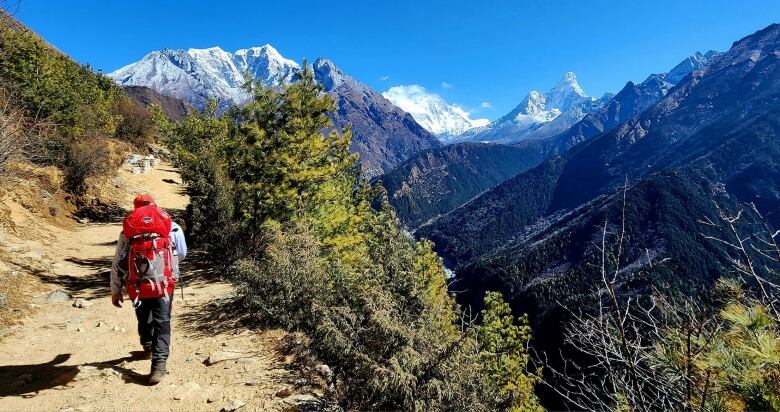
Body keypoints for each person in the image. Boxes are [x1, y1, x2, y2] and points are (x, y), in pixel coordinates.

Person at [110, 193, 187, 384]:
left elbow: (118, 262)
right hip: (164, 283)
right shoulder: (171, 226)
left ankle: (147, 346)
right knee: (162, 320)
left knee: (143, 315)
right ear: (155, 206)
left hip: (136, 284)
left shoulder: (128, 231)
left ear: (135, 209)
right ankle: (159, 366)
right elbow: (182, 253)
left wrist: (115, 289)